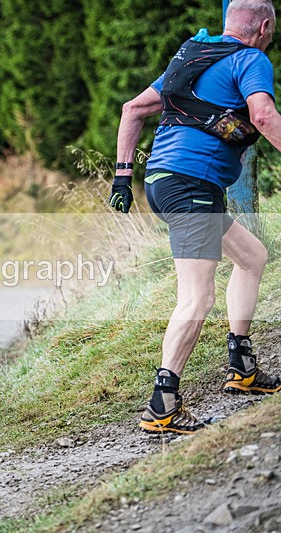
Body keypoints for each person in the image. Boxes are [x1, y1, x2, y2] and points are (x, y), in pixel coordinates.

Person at [111, 0, 281, 434]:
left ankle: (241, 367)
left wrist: (121, 177)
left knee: (252, 256)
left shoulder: (194, 55)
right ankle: (162, 405)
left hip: (167, 181)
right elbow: (263, 116)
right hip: (191, 185)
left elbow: (133, 109)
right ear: (263, 27)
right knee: (197, 296)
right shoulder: (251, 59)